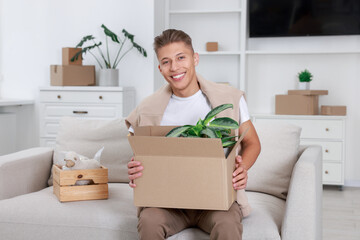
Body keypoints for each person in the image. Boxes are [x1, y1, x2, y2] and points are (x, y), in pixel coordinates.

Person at [126, 29, 261, 240]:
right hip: (167, 203)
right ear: (160, 68)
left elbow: (252, 143)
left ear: (195, 58)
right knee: (149, 221)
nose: (175, 67)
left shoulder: (229, 99)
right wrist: (135, 168)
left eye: (181, 57)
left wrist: (242, 168)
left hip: (216, 201)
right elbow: (140, 153)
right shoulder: (147, 108)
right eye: (166, 61)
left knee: (227, 224)